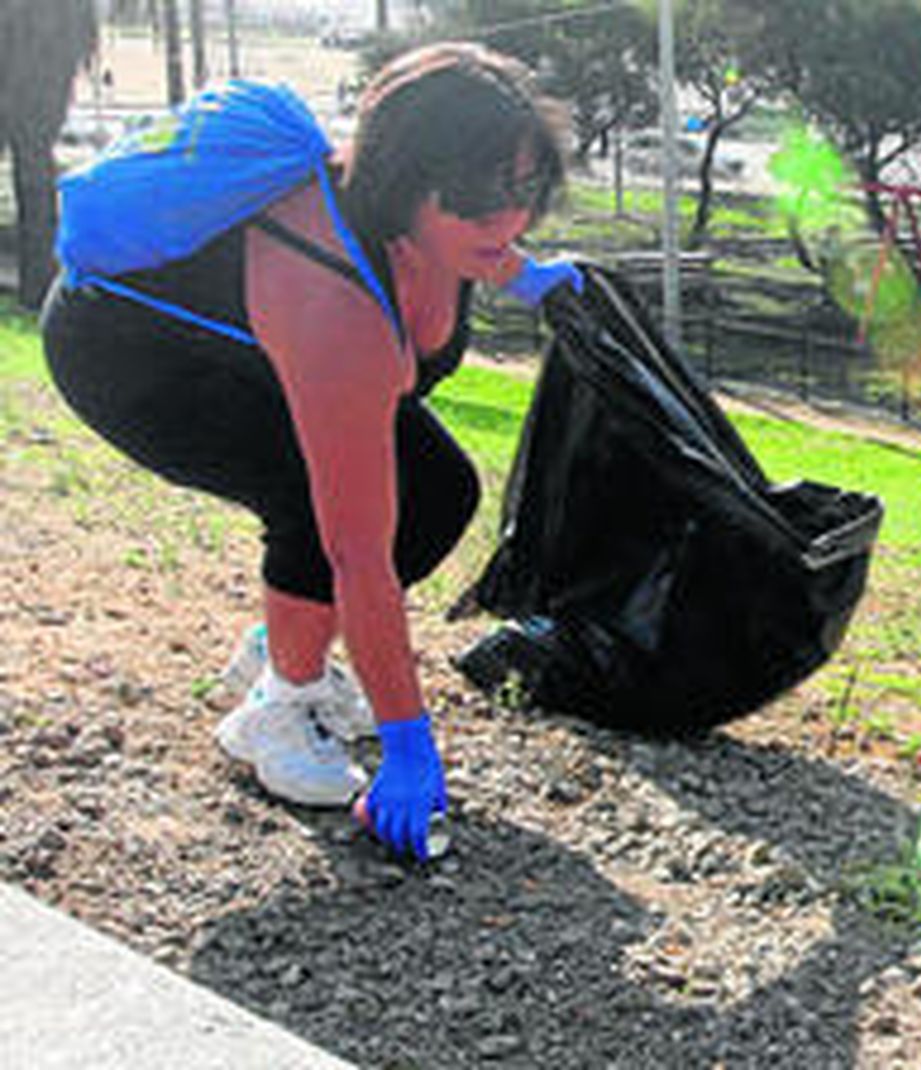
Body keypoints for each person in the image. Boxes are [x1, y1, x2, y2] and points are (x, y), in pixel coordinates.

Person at [41, 43, 579, 860]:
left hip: (257, 341)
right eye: (477, 199)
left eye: (526, 191)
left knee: (437, 494)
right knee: (313, 505)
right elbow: (356, 551)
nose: (505, 219)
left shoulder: (434, 225)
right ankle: (279, 709)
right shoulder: (338, 309)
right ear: (404, 181)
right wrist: (408, 741)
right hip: (130, 355)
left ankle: (284, 642)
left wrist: (526, 273)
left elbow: (477, 234)